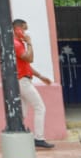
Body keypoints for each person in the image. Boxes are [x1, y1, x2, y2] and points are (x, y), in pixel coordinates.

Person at [12, 18, 54, 150]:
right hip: (22, 81)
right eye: (24, 29)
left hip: (23, 79)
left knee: (23, 111)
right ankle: (39, 138)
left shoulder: (18, 43)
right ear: (17, 29)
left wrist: (41, 77)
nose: (25, 32)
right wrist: (29, 43)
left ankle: (17, 136)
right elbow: (30, 58)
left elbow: (26, 65)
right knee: (39, 107)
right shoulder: (17, 44)